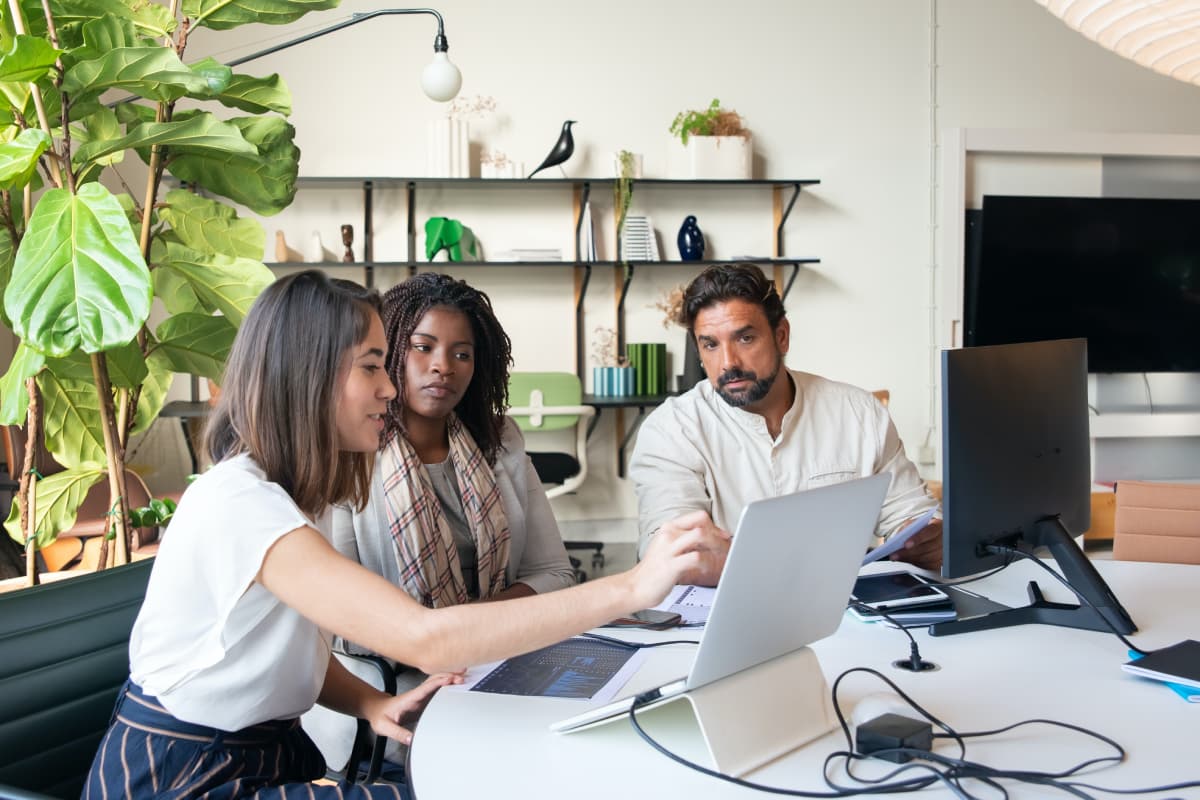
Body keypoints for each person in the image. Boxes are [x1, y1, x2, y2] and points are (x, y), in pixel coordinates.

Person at [83, 271, 720, 799]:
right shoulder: (240, 503)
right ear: (309, 377)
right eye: (372, 366)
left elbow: (278, 648)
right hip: (186, 777)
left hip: (258, 754)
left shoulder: (284, 495)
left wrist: (367, 702)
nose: (392, 386)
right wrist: (635, 586)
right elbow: (423, 635)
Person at [305, 274, 576, 775]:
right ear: (387, 354)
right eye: (422, 347)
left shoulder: (500, 440)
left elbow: (554, 573)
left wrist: (473, 631)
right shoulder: (348, 453)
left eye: (461, 354)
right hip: (393, 702)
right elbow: (344, 623)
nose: (441, 367)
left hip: (501, 668)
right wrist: (462, 635)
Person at [629, 263, 941, 587]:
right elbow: (671, 554)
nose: (728, 363)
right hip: (722, 619)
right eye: (710, 344)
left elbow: (913, 515)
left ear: (781, 336)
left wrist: (923, 538)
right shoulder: (670, 431)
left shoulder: (859, 414)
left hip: (847, 616)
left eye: (745, 338)